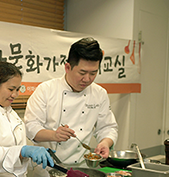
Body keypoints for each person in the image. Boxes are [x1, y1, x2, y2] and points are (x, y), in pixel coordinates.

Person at [24, 37, 118, 169]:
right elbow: (30, 127)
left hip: (83, 166)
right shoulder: (46, 90)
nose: (87, 79)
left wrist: (105, 143)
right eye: (82, 72)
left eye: (93, 73)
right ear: (67, 67)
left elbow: (108, 127)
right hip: (49, 166)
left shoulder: (99, 93)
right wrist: (54, 135)